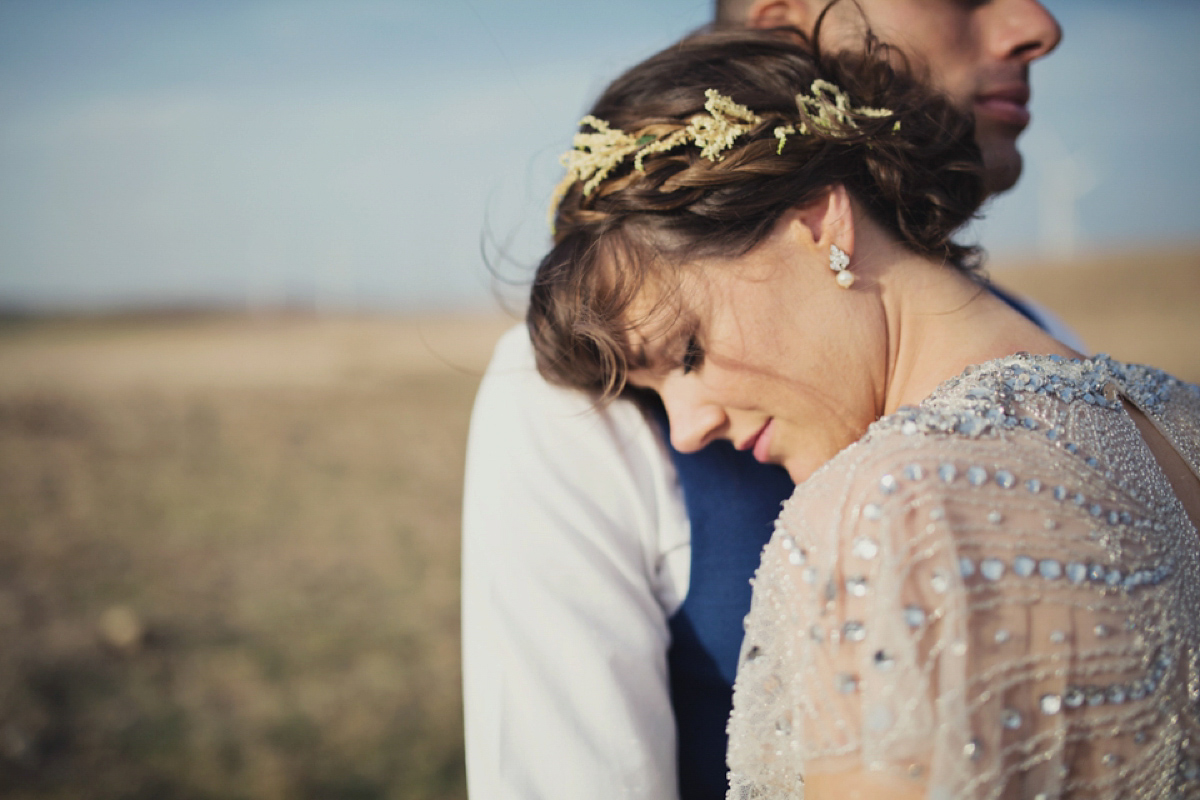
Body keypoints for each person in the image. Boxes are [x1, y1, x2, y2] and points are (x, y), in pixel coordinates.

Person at [527, 24, 1200, 800]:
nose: (686, 429)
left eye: (687, 352)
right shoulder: (1175, 416)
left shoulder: (896, 511)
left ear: (820, 222)